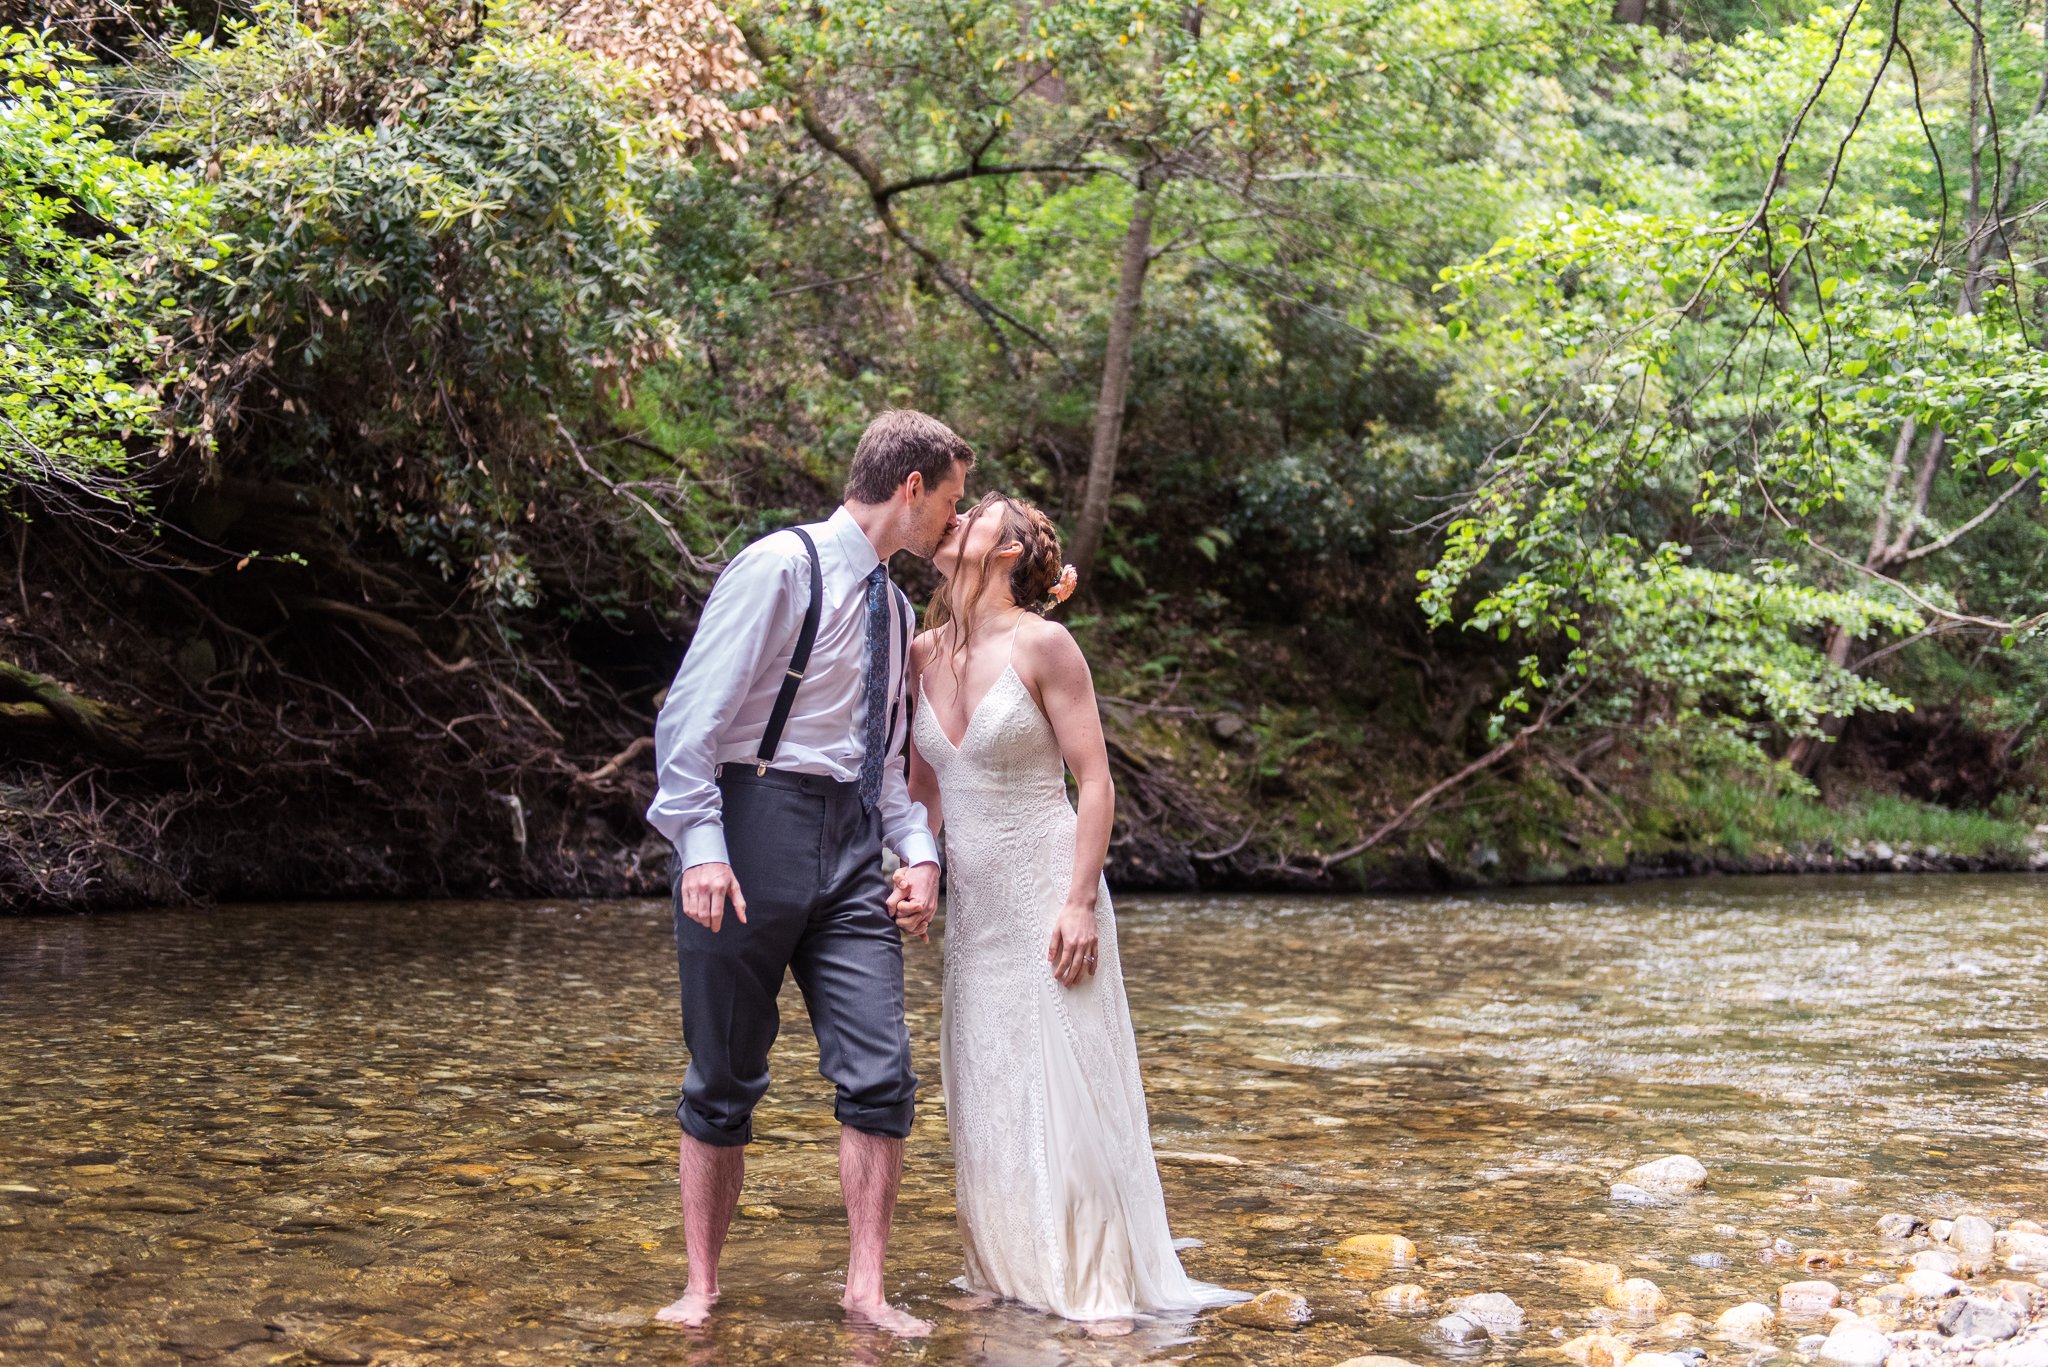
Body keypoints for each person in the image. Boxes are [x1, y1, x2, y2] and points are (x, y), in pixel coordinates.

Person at [643, 409, 970, 1336]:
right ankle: (702, 1286)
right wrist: (701, 847)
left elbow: (893, 764)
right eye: (951, 501)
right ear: (911, 489)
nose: (956, 519)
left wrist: (920, 856)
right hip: (751, 828)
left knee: (882, 1073)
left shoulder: (900, 608)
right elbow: (689, 722)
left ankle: (865, 1288)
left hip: (855, 843)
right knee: (723, 1075)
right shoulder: (780, 567)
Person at [898, 492, 1247, 1327]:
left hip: (1052, 888)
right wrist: (917, 870)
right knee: (988, 1082)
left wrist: (1080, 899)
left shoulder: (1046, 644)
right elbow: (920, 795)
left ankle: (1094, 1280)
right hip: (976, 908)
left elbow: (1095, 779)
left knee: (1067, 1084)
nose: (955, 519)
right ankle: (1010, 1266)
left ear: (1012, 550)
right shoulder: (919, 651)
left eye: (976, 513)